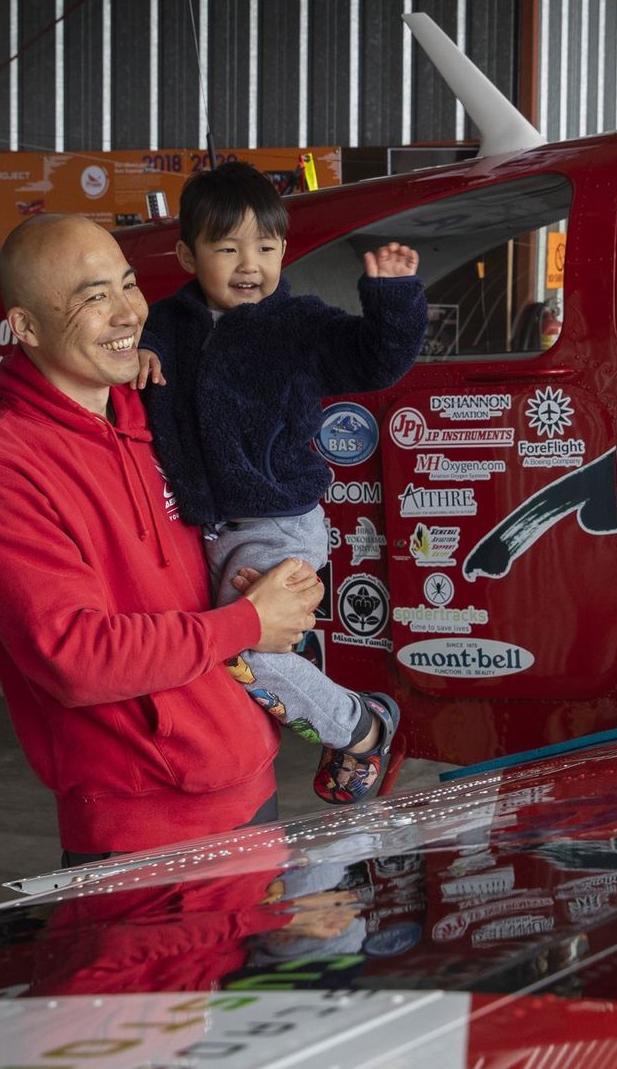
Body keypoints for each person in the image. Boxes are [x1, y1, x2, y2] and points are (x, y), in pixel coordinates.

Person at [0, 214, 324, 866]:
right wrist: (246, 622)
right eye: (94, 297)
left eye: (128, 285)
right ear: (25, 328)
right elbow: (77, 658)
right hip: (146, 828)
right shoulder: (2, 475)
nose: (126, 313)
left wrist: (275, 580)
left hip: (250, 788)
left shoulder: (153, 419)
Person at [133, 162, 426, 803]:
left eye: (264, 248)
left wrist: (395, 299)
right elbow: (131, 347)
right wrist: (140, 352)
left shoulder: (297, 324)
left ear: (283, 252)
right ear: (187, 253)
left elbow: (376, 360)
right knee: (209, 654)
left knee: (248, 654)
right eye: (227, 247)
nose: (249, 263)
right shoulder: (167, 324)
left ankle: (361, 727)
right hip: (203, 524)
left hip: (277, 521)